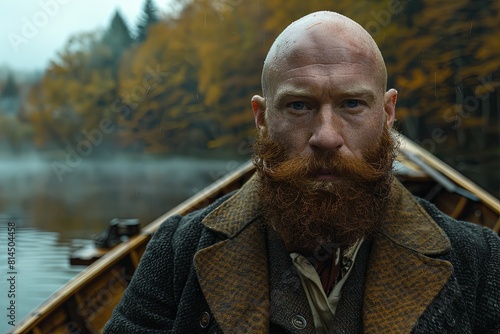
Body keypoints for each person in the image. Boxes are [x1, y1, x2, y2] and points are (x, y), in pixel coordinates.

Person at [104, 11, 500, 333]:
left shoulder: (479, 261)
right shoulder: (178, 253)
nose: (326, 137)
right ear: (261, 117)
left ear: (387, 112)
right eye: (299, 106)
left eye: (351, 104)